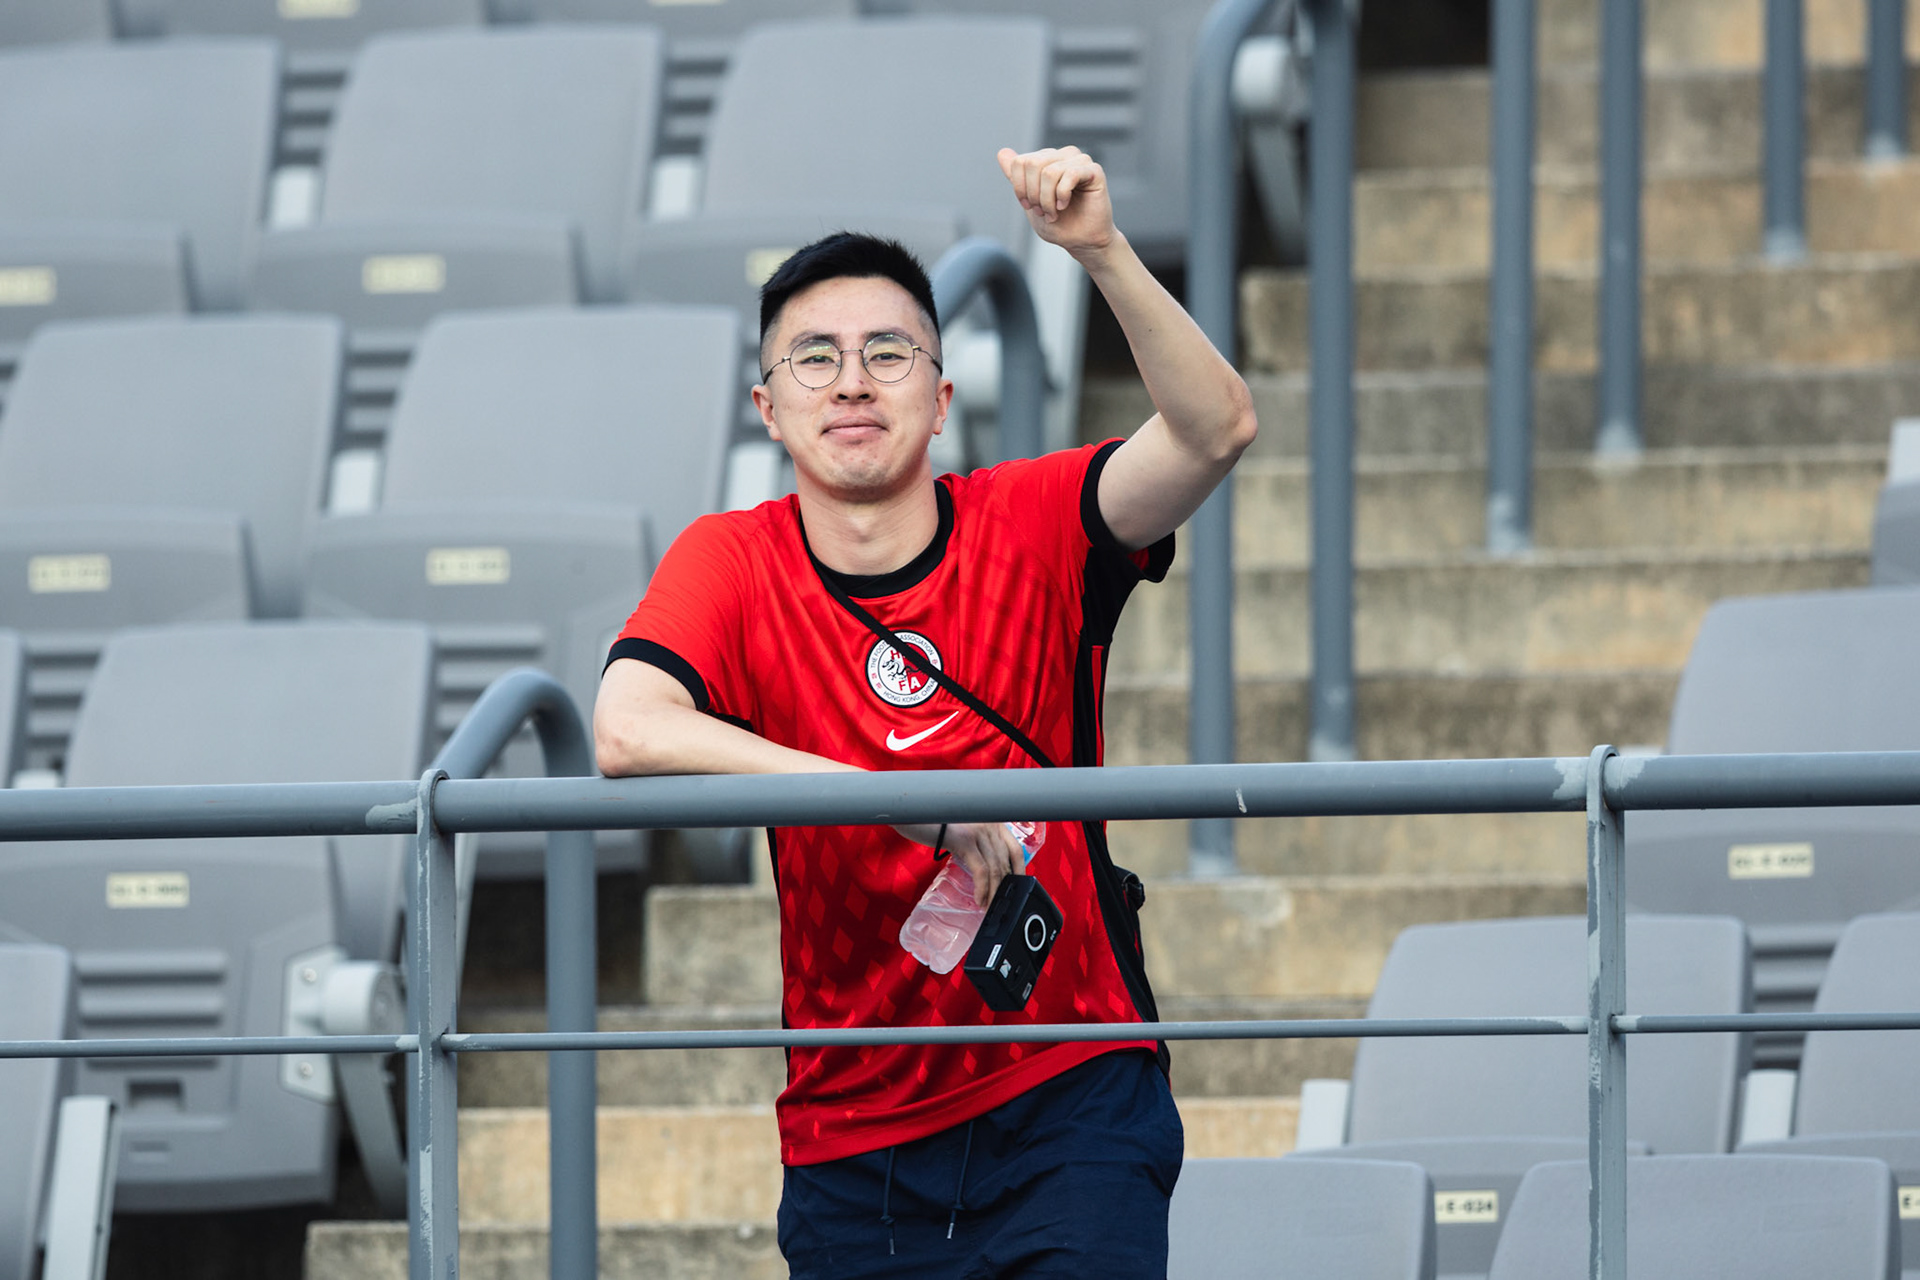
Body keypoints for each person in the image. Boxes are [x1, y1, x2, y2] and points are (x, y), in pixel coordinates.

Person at [595, 145, 1256, 1277]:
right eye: (815, 358)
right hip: (856, 1139)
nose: (852, 382)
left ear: (941, 398)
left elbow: (1214, 430)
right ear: (767, 407)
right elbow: (627, 726)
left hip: (1071, 1088)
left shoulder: (1032, 518)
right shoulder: (735, 560)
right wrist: (888, 801)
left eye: (887, 352)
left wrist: (1099, 250)